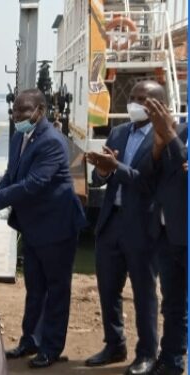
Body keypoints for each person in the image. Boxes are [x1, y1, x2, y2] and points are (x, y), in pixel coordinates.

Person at [0, 89, 87, 369]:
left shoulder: (52, 142)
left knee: (56, 289)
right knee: (35, 288)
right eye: (15, 111)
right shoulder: (19, 136)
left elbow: (34, 184)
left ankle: (51, 347)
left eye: (24, 111)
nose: (18, 115)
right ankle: (30, 340)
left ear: (40, 111)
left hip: (57, 227)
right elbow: (12, 175)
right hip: (33, 227)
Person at [84, 81, 162, 375]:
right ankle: (114, 343)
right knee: (108, 289)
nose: (135, 102)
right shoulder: (118, 132)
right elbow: (100, 177)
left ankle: (147, 353)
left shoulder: (163, 137)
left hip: (143, 225)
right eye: (133, 97)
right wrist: (102, 169)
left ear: (157, 104)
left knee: (143, 292)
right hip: (111, 221)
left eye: (143, 98)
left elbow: (148, 183)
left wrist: (116, 167)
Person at [138, 98, 188, 375]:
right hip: (168, 234)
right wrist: (159, 145)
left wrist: (169, 136)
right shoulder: (177, 132)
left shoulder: (174, 134)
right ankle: (171, 360)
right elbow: (149, 177)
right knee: (173, 303)